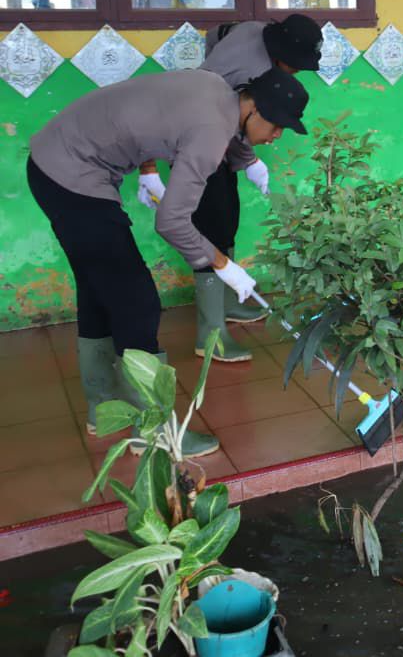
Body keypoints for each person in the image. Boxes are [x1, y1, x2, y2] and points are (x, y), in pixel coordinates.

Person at [27, 67, 309, 453]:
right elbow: (172, 221)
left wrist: (148, 170)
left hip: (54, 159)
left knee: (100, 291)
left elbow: (150, 112)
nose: (276, 136)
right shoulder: (211, 134)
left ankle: (104, 410)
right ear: (254, 110)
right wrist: (223, 265)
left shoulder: (216, 88)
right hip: (73, 174)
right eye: (277, 126)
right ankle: (156, 433)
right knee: (137, 301)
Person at [139, 13, 322, 363]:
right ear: (280, 54)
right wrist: (249, 160)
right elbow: (231, 114)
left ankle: (227, 304)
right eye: (296, 65)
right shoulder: (252, 74)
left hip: (219, 137)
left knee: (227, 218)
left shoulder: (253, 30)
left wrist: (246, 161)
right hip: (196, 138)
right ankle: (211, 335)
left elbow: (215, 35)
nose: (297, 71)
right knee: (208, 228)